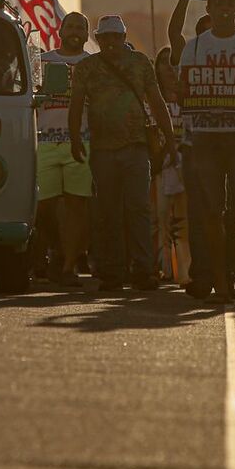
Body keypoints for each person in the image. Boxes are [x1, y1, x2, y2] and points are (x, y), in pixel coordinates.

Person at [168, 0, 235, 298]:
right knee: (212, 212)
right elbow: (182, 95)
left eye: (230, 3)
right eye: (219, 3)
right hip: (206, 139)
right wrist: (183, 92)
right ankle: (222, 284)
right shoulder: (195, 47)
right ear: (208, 8)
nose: (225, 9)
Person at [68, 15, 178, 293]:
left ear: (123, 37)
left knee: (138, 210)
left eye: (116, 37)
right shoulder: (86, 68)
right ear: (99, 39)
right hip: (103, 149)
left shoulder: (140, 64)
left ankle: (143, 270)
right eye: (106, 38)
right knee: (108, 212)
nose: (111, 43)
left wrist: (171, 138)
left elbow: (157, 100)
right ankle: (112, 272)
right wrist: (74, 138)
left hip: (136, 147)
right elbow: (77, 104)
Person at [34, 12, 94, 287]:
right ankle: (54, 251)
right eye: (69, 26)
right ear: (60, 30)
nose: (74, 31)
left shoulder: (93, 64)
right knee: (43, 206)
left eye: (80, 27)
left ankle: (69, 266)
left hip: (80, 142)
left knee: (76, 206)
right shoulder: (43, 60)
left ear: (86, 33)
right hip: (44, 140)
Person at [154, 47, 191, 285]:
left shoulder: (190, 98)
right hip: (161, 165)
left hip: (185, 165)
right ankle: (163, 268)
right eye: (164, 63)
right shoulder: (153, 99)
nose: (169, 68)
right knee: (159, 219)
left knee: (185, 220)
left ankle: (185, 269)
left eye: (173, 63)